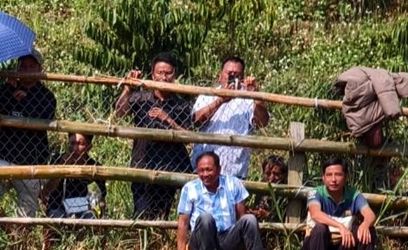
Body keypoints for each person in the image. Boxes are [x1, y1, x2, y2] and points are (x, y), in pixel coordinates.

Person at [0, 52, 57, 217]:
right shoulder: (8, 89)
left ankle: (20, 239)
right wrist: (10, 93)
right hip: (5, 158)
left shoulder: (47, 96)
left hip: (32, 162)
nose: (26, 70)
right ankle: (8, 228)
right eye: (22, 66)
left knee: (27, 212)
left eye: (30, 66)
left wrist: (25, 101)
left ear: (39, 69)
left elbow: (43, 119)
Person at [176, 151, 273, 250]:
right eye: (201, 170)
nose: (205, 174)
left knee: (249, 219)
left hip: (226, 243)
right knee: (206, 218)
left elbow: (242, 218)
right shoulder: (190, 189)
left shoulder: (233, 184)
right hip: (199, 243)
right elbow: (183, 223)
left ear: (219, 169)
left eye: (209, 169)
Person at [114, 53, 194, 219]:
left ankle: (160, 243)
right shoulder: (141, 98)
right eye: (160, 73)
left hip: (169, 166)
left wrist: (168, 120)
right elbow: (119, 113)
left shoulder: (182, 105)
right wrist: (128, 87)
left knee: (162, 215)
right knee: (141, 213)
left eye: (168, 73)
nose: (164, 77)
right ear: (152, 74)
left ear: (175, 76)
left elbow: (187, 136)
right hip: (142, 164)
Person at [303, 158, 377, 250]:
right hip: (315, 248)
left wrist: (365, 224)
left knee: (369, 230)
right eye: (329, 175)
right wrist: (340, 227)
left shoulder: (354, 195)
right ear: (323, 178)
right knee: (320, 228)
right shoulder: (315, 193)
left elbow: (370, 214)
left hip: (341, 247)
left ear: (346, 177)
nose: (333, 179)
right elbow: (316, 214)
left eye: (338, 175)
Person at [192, 56, 269, 178]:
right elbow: (195, 121)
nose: (232, 77)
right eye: (229, 73)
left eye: (236, 74)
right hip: (203, 170)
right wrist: (220, 100)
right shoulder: (207, 95)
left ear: (242, 78)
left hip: (234, 170)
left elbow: (262, 122)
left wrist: (256, 96)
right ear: (220, 76)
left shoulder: (249, 99)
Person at [41, 132, 106, 219]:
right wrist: (62, 167)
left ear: (89, 147)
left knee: (91, 218)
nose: (75, 148)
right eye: (72, 143)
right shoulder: (57, 159)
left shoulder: (94, 167)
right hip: (58, 206)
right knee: (56, 217)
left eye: (80, 144)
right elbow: (45, 192)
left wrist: (97, 210)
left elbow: (101, 197)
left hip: (85, 208)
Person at [248, 154, 289, 222]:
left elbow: (287, 220)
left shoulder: (286, 195)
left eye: (276, 174)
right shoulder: (260, 189)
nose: (271, 179)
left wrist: (268, 215)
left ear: (284, 176)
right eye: (268, 174)